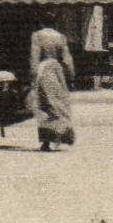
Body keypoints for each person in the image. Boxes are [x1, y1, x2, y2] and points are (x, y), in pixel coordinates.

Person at [28, 11, 75, 152]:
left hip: (44, 71)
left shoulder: (37, 36)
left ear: (42, 23)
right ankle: (62, 134)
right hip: (57, 71)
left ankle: (46, 141)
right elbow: (67, 59)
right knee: (59, 103)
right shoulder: (60, 37)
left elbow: (34, 57)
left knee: (45, 104)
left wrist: (33, 76)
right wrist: (70, 76)